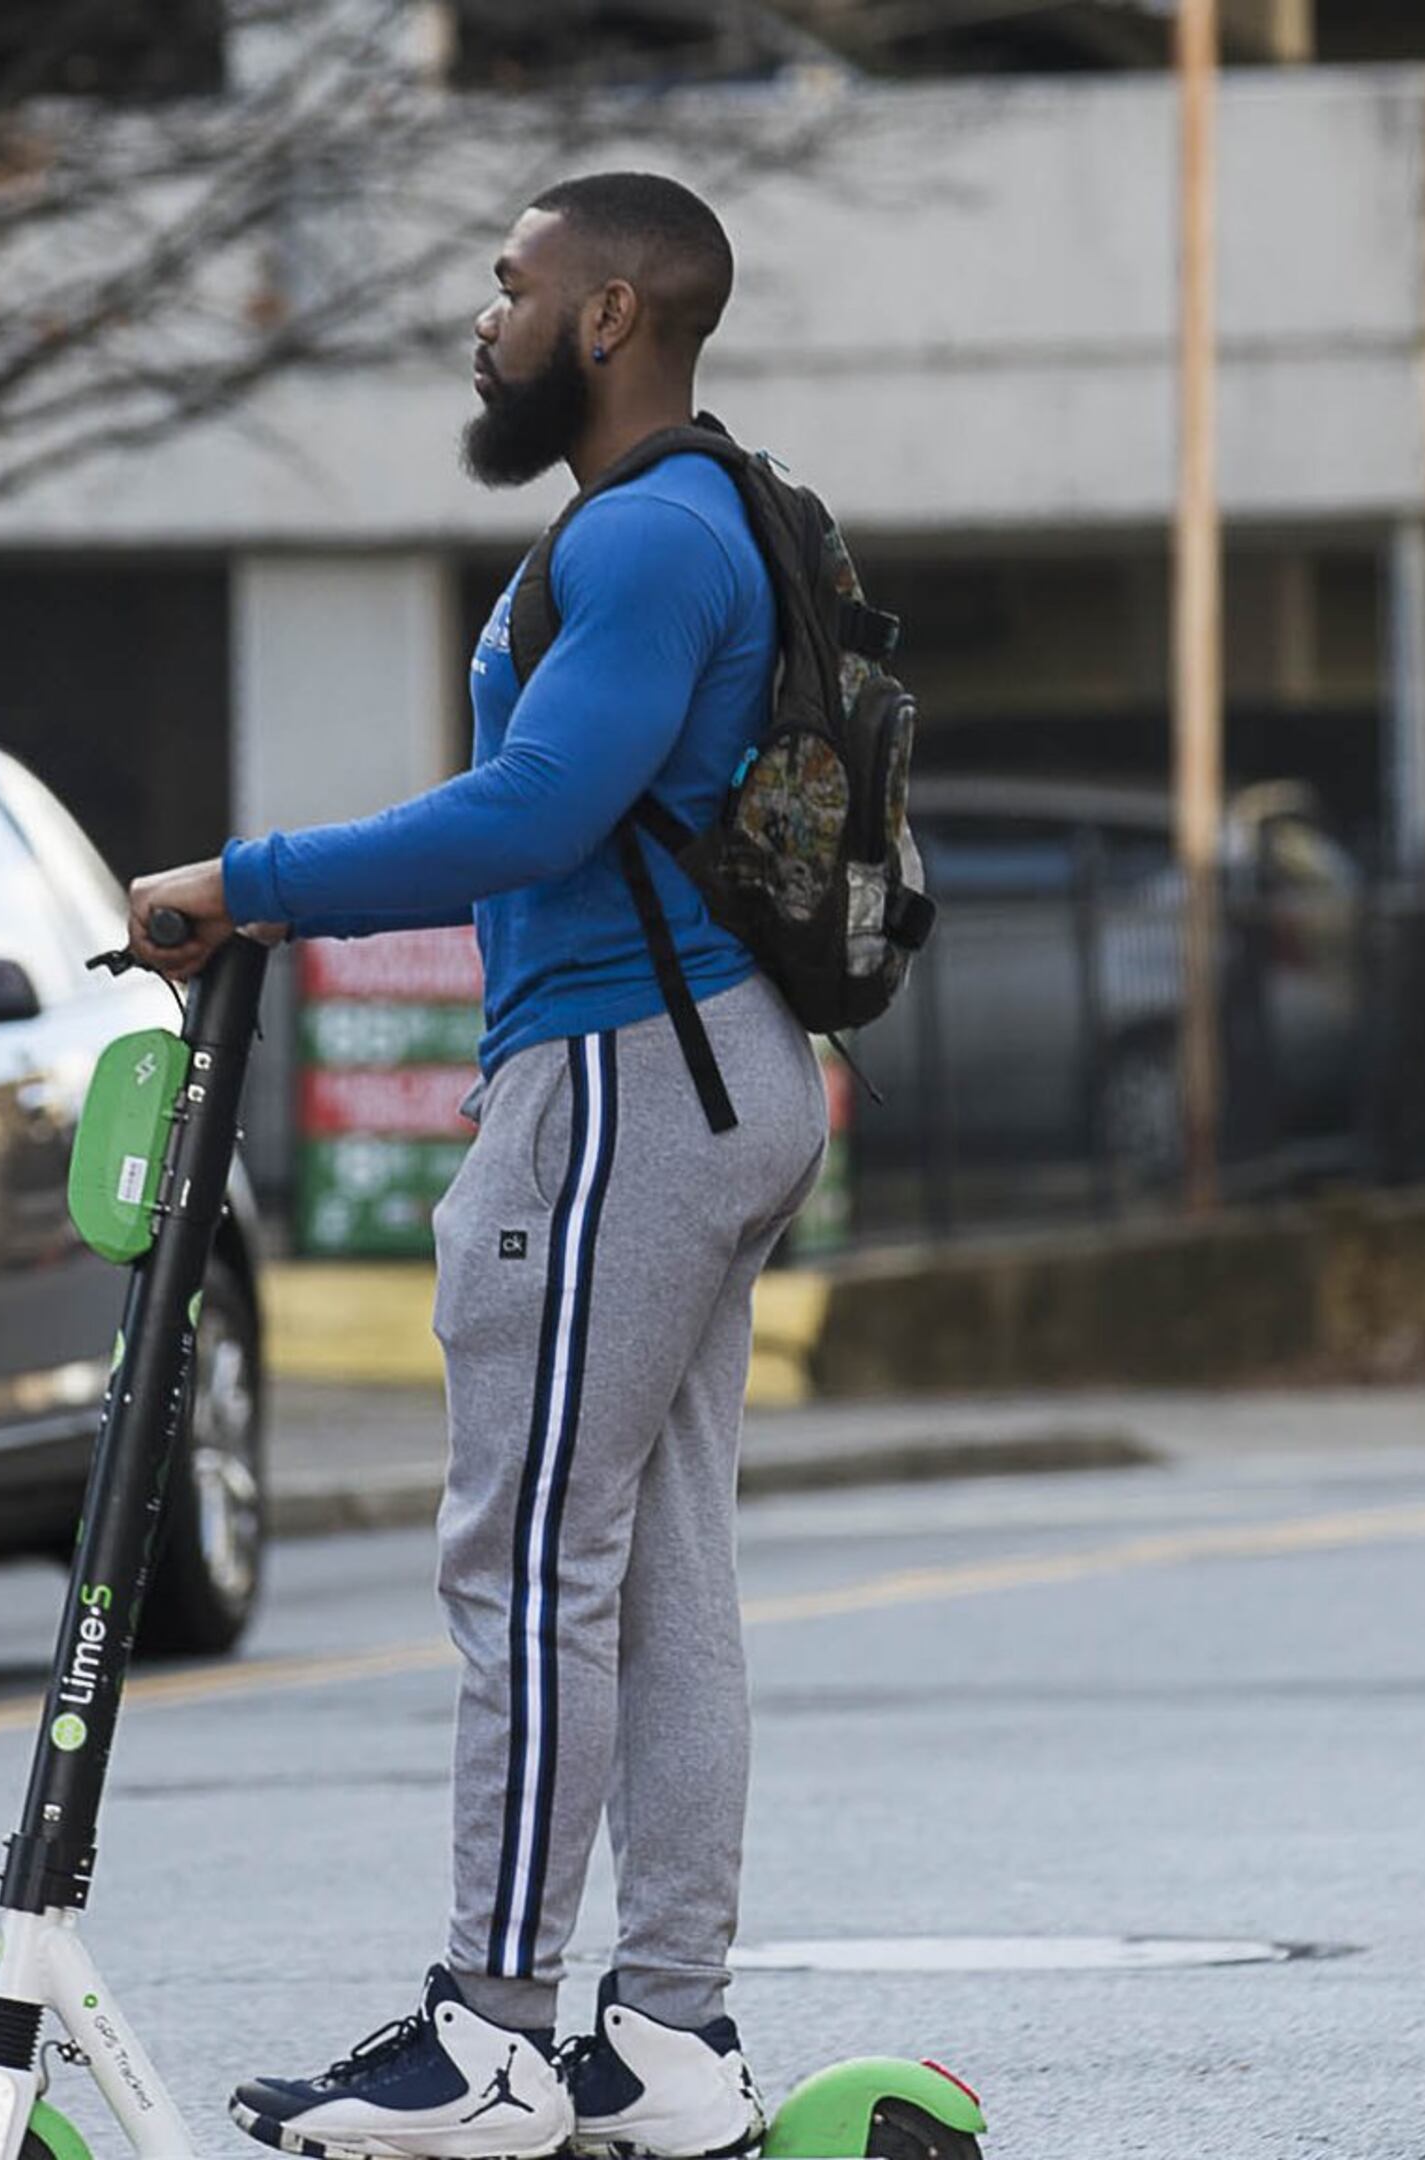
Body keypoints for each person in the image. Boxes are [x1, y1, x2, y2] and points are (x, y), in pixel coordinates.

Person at [122, 172, 826, 2160]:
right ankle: (669, 2042)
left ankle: (495, 2032)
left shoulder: (654, 538)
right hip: (703, 1074)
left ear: (609, 316)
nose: (481, 317)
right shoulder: (687, 518)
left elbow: (537, 811)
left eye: (509, 286)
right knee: (657, 1572)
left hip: (628, 1076)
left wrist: (242, 887)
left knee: (527, 1555)